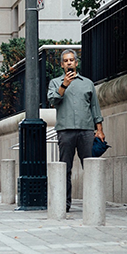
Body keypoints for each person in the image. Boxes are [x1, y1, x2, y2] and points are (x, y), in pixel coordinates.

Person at [47, 49, 105, 212]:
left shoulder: (87, 83)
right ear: (61, 64)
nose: (69, 63)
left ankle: (93, 202)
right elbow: (53, 100)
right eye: (66, 61)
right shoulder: (55, 82)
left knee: (90, 166)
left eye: (71, 60)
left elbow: (95, 107)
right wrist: (64, 85)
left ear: (76, 63)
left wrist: (99, 129)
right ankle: (64, 203)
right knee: (65, 167)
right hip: (65, 131)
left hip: (86, 130)